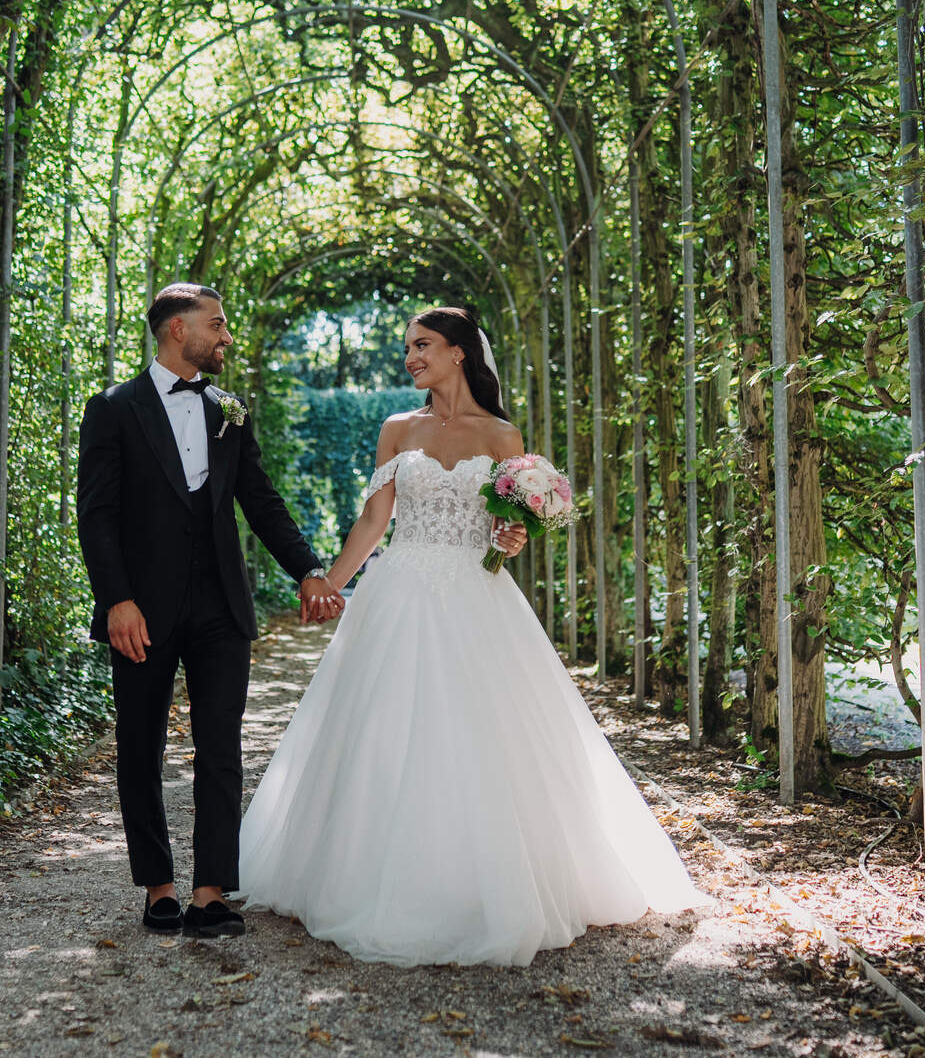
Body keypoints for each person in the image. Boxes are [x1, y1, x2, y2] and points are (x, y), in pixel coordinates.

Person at [239, 306, 708, 966]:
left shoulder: (502, 435)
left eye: (422, 345)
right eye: (407, 347)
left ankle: (489, 880)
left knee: (484, 731)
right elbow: (375, 518)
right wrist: (328, 584)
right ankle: (368, 874)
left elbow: (507, 528)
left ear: (459, 352)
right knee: (382, 727)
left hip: (475, 592)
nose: (410, 357)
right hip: (399, 588)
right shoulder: (396, 428)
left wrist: (512, 537)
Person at [75, 283, 344, 939]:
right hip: (141, 608)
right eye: (216, 325)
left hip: (222, 602)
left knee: (221, 745)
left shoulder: (231, 409)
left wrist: (309, 568)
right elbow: (97, 514)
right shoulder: (113, 408)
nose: (226, 337)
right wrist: (116, 600)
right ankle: (159, 888)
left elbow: (260, 499)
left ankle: (211, 893)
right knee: (140, 744)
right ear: (178, 329)